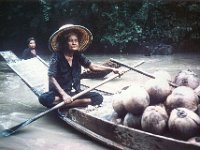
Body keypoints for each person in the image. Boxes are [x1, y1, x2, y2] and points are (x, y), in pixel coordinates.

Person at [39, 24, 120, 108]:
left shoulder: (78, 55)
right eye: (70, 41)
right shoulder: (56, 56)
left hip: (75, 93)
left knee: (98, 98)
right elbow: (51, 77)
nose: (74, 43)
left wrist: (111, 69)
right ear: (64, 43)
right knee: (44, 98)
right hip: (59, 93)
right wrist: (64, 95)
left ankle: (67, 103)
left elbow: (93, 67)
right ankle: (75, 102)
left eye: (76, 40)